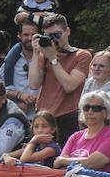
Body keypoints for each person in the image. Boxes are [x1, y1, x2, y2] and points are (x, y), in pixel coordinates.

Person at [28, 13, 92, 141]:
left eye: (57, 35)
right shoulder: (44, 55)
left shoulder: (82, 55)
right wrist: (36, 54)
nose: (54, 40)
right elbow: (33, 84)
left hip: (67, 118)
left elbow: (70, 85)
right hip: (43, 117)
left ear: (67, 31)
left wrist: (53, 59)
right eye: (49, 36)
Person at [53, 91, 110, 173]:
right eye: (86, 108)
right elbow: (59, 166)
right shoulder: (75, 136)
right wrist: (63, 162)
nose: (90, 112)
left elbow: (92, 163)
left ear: (106, 112)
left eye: (96, 108)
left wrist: (63, 161)